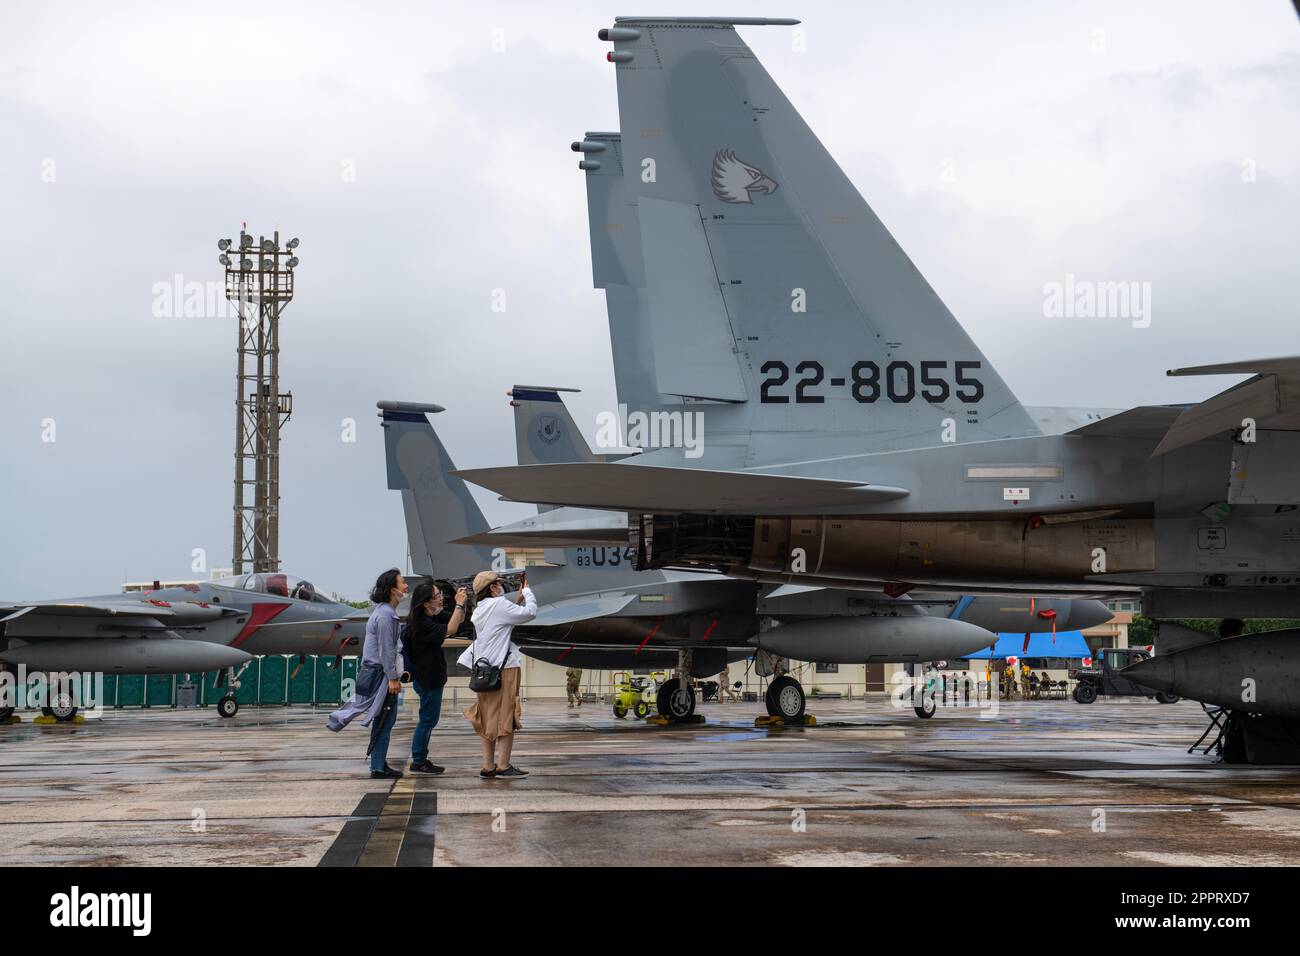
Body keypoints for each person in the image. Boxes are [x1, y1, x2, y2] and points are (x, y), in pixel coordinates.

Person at [326, 568, 407, 779]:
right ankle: (378, 767)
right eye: (402, 583)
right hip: (380, 673)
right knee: (385, 720)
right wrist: (392, 678)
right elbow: (386, 650)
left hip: (374, 670)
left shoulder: (382, 612)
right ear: (392, 590)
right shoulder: (386, 616)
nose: (406, 586)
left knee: (377, 715)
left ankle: (378, 764)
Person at [459, 570, 537, 779]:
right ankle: (503, 765)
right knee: (506, 716)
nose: (501, 587)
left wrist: (517, 598)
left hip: (484, 671)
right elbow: (530, 613)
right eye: (498, 584)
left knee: (487, 717)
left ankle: (488, 766)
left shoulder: (479, 610)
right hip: (504, 670)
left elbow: (502, 619)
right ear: (492, 588)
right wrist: (528, 593)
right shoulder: (499, 605)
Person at [402, 581, 467, 774]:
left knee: (429, 719)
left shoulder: (431, 617)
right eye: (437, 596)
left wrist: (461, 604)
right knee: (427, 721)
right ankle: (419, 760)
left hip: (431, 678)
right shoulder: (422, 624)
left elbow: (459, 620)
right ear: (425, 603)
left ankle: (420, 757)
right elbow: (452, 629)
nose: (441, 598)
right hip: (428, 678)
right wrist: (458, 603)